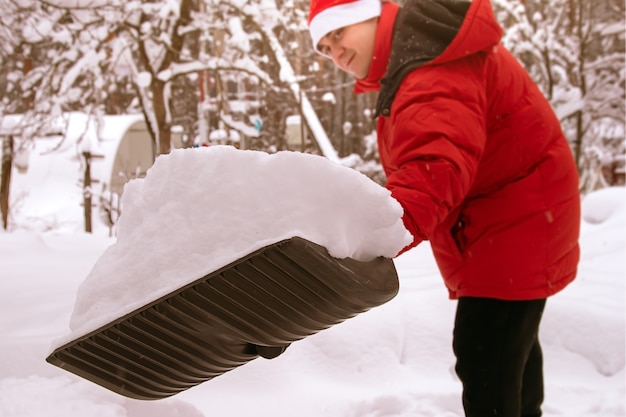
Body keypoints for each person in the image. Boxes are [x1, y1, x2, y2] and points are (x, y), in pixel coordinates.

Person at [307, 0, 581, 415]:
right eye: (324, 47)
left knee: (485, 352)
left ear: (372, 13)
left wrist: (363, 240)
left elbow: (433, 169)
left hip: (516, 217)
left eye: (339, 34)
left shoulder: (427, 62)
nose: (335, 53)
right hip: (510, 215)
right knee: (509, 350)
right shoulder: (420, 51)